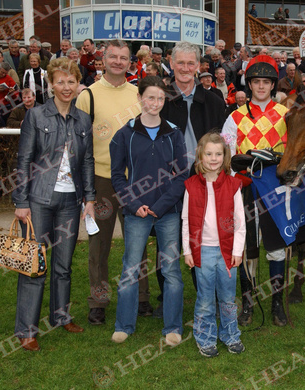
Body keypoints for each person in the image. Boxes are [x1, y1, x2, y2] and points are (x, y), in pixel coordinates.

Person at [12, 57, 95, 352]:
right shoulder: (36, 116)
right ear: (50, 85)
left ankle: (61, 316)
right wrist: (20, 200)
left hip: (70, 202)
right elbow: (23, 161)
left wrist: (90, 197)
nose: (66, 87)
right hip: (38, 201)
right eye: (60, 81)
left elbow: (86, 160)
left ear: (77, 85)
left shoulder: (83, 119)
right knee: (34, 265)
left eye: (71, 81)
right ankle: (27, 330)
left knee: (63, 265)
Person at [222, 55, 304, 327]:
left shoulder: (285, 114)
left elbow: (294, 150)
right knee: (247, 248)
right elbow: (226, 156)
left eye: (265, 82)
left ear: (272, 85)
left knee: (277, 247)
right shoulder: (234, 117)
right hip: (245, 189)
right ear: (249, 84)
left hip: (276, 189)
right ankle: (247, 302)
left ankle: (277, 304)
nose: (260, 87)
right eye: (256, 82)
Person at [76, 39, 153, 325]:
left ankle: (142, 297)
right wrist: (87, 191)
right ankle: (98, 301)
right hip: (102, 180)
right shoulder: (89, 96)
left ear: (130, 62)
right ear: (103, 59)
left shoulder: (139, 94)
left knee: (140, 242)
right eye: (113, 57)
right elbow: (81, 146)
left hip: (136, 180)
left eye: (124, 58)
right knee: (99, 245)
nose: (118, 62)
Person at [109, 76, 188, 345]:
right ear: (140, 98)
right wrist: (134, 204)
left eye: (161, 98)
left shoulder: (174, 133)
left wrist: (161, 206)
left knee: (171, 270)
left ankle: (173, 327)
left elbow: (181, 176)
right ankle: (124, 324)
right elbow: (118, 176)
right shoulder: (125, 134)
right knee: (131, 268)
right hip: (136, 213)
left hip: (167, 212)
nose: (155, 103)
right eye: (150, 97)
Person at [182, 132, 246, 357]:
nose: (213, 158)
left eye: (218, 154)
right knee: (205, 298)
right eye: (208, 154)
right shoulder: (190, 186)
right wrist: (188, 250)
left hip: (227, 251)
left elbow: (240, 222)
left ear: (225, 156)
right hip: (203, 252)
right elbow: (186, 221)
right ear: (200, 156)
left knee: (228, 297)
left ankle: (230, 335)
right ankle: (205, 337)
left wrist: (238, 251)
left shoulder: (233, 185)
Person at [160, 41, 226, 168]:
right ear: (172, 64)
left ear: (198, 66)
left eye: (190, 63)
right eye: (180, 63)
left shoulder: (215, 103)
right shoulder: (160, 101)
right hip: (168, 179)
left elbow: (222, 144)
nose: (185, 68)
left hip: (205, 177)